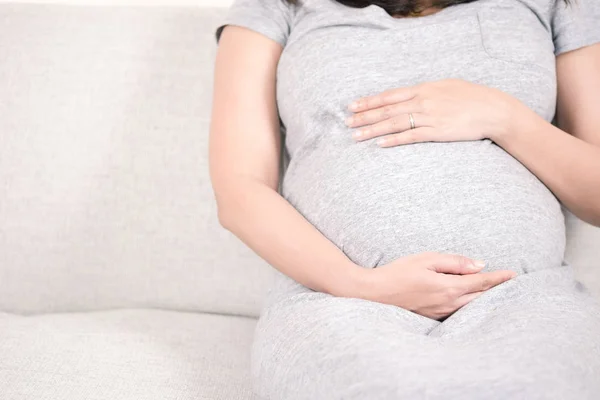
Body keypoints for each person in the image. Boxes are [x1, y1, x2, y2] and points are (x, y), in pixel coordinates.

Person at [209, 0, 600, 398]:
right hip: (336, 298)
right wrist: (361, 284)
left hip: (528, 297)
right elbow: (239, 189)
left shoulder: (557, 4)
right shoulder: (279, 6)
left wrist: (502, 116)